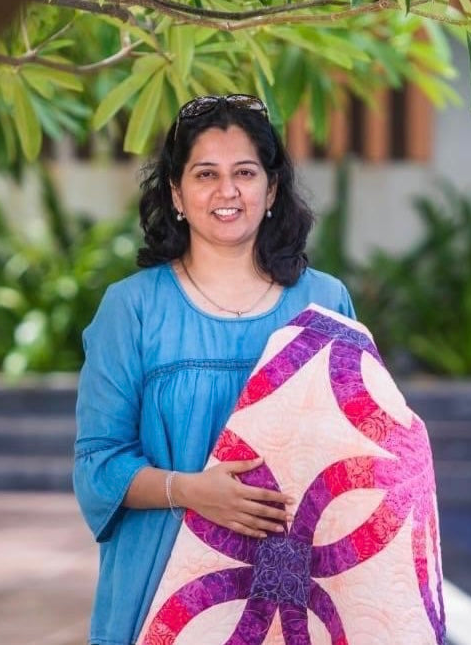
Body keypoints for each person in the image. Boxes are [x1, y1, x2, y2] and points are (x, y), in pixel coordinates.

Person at [73, 94, 356, 645]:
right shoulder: (131, 309)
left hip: (293, 598)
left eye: (244, 173)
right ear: (177, 193)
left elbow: (360, 451)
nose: (227, 191)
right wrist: (191, 491)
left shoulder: (324, 302)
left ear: (271, 190)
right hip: (159, 595)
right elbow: (96, 465)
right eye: (206, 174)